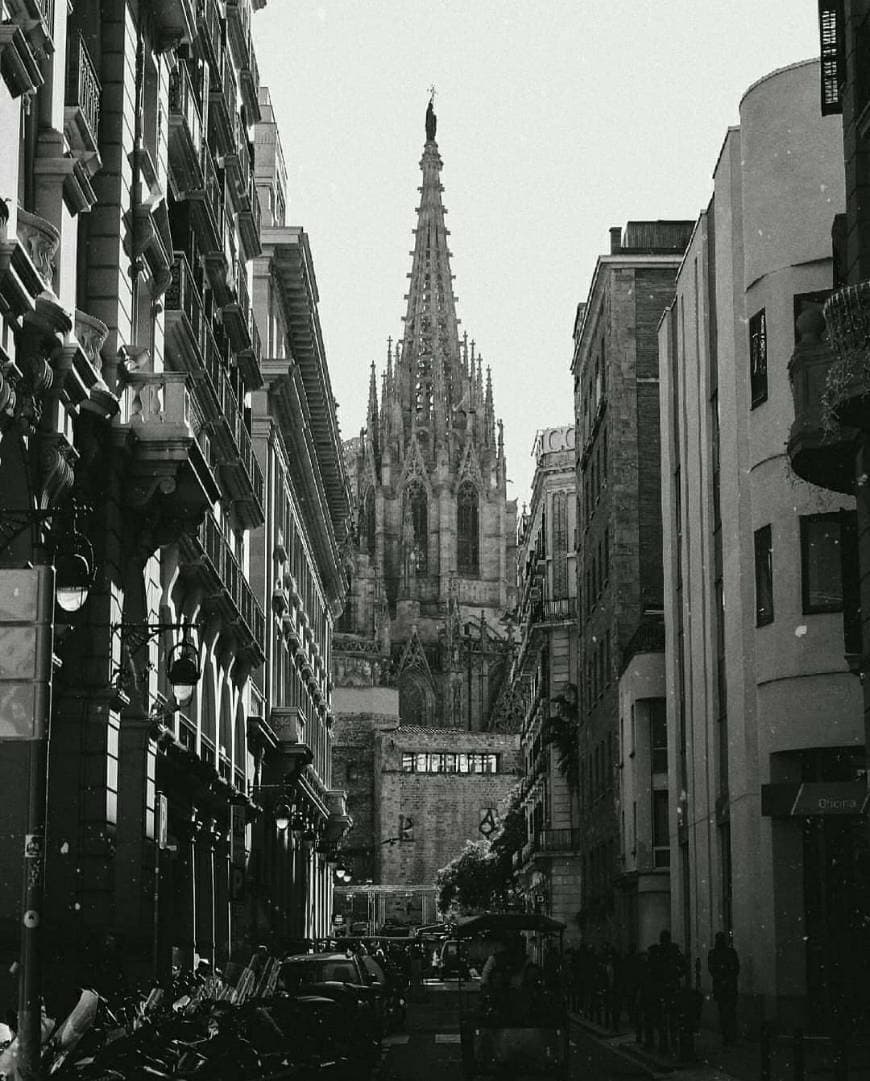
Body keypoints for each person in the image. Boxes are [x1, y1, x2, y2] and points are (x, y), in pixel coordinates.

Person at [707, 932, 739, 1045]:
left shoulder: (714, 953)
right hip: (728, 986)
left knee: (725, 1012)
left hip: (722, 986)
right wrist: (727, 978)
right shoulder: (730, 953)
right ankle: (730, 1035)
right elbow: (735, 969)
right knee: (729, 1012)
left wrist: (721, 978)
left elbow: (712, 969)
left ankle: (727, 1035)